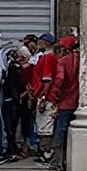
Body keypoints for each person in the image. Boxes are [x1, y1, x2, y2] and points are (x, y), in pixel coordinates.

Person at [50, 35, 80, 171]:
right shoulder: (83, 60)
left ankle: (58, 161)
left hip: (65, 102)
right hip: (79, 103)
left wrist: (54, 98)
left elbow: (59, 81)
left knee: (60, 131)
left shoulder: (63, 61)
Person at [31, 33, 58, 162]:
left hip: (46, 97)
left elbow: (47, 80)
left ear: (46, 43)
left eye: (40, 41)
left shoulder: (48, 58)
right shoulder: (49, 57)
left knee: (44, 126)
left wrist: (42, 98)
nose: (38, 42)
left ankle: (46, 152)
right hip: (45, 95)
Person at [1, 45, 23, 159]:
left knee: (9, 126)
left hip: (10, 101)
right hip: (14, 100)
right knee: (11, 126)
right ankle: (12, 148)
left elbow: (12, 86)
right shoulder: (17, 68)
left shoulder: (12, 69)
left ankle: (11, 149)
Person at [16, 45, 36, 158]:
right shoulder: (17, 68)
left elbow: (33, 82)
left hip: (28, 97)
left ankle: (28, 146)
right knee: (22, 123)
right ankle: (24, 145)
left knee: (28, 123)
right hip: (19, 99)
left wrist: (29, 94)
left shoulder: (32, 68)